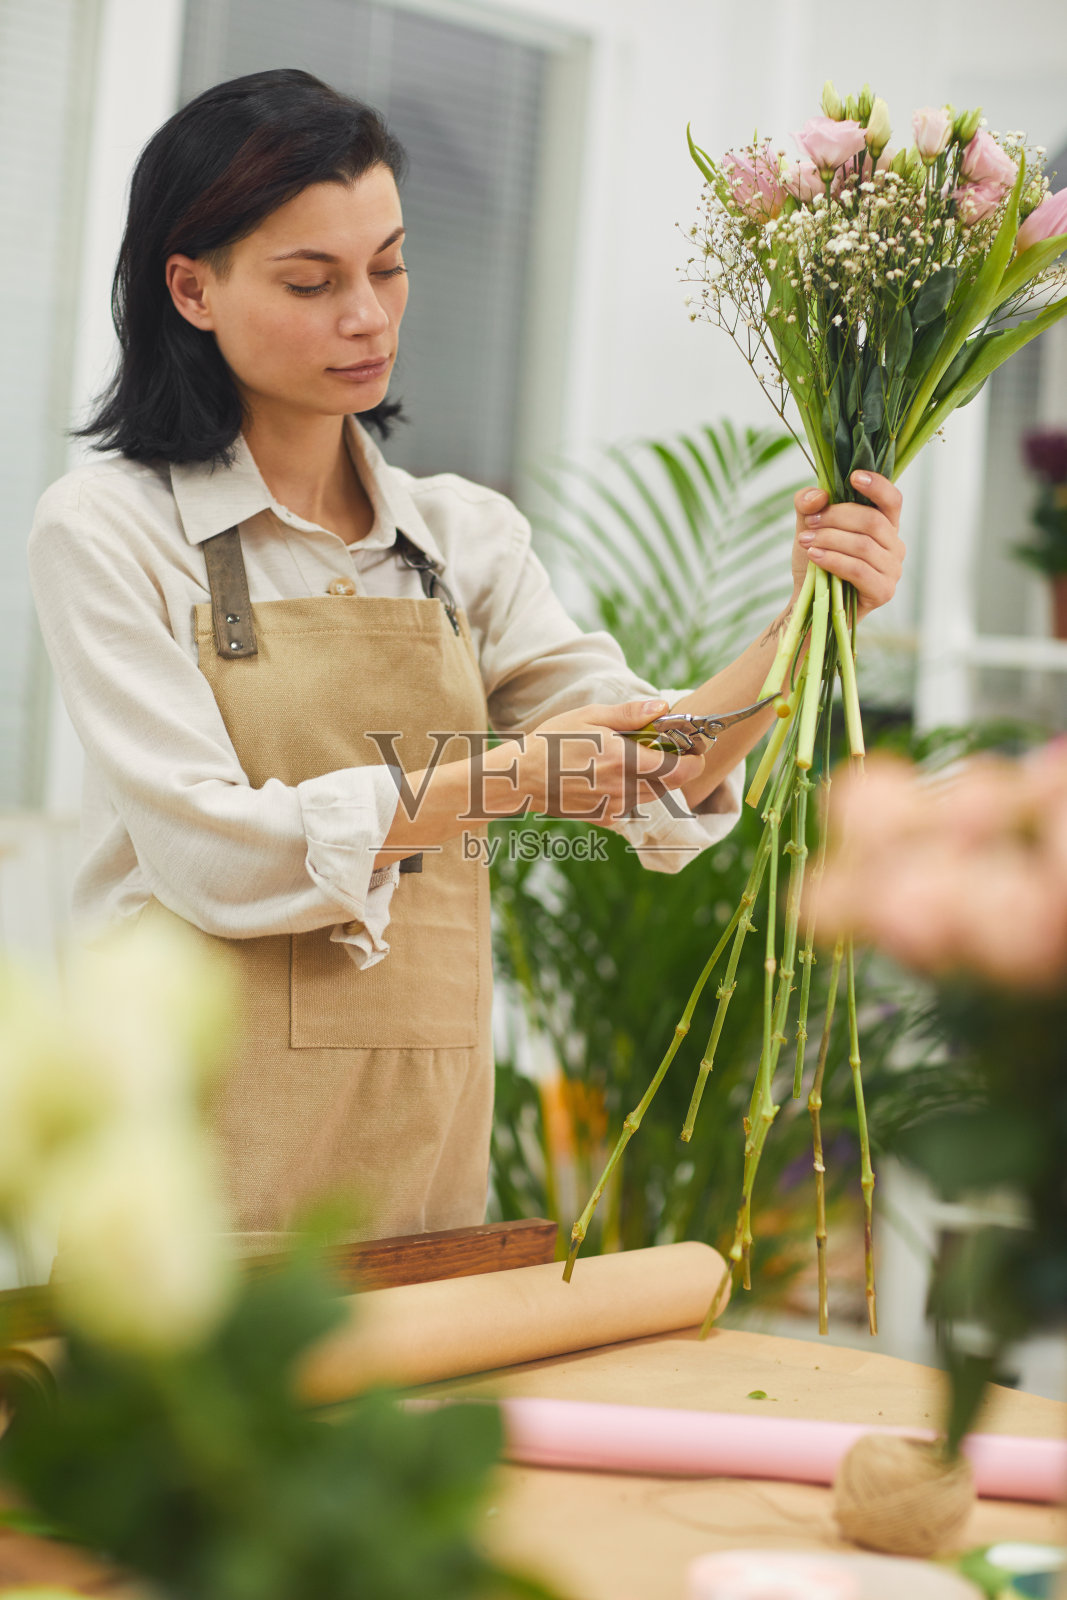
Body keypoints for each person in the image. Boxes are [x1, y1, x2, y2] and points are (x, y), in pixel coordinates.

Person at [29, 69, 905, 1247]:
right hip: (181, 1181)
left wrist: (800, 625)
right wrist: (512, 779)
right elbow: (212, 855)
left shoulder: (462, 537)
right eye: (312, 280)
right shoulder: (108, 529)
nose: (369, 316)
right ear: (191, 288)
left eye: (387, 266)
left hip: (424, 1163)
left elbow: (658, 766)